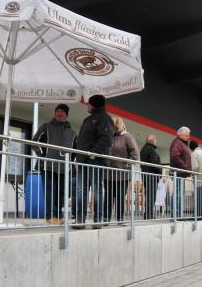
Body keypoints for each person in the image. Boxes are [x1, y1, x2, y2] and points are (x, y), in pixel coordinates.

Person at [72, 94, 113, 229]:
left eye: (88, 103)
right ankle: (80, 220)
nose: (87, 106)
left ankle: (97, 220)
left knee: (96, 190)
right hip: (83, 160)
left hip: (95, 160)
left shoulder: (104, 118)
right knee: (80, 191)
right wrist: (78, 157)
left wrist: (92, 154)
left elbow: (106, 140)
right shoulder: (88, 119)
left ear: (94, 104)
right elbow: (83, 141)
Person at [31, 104, 76, 225]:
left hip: (64, 168)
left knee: (62, 193)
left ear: (66, 115)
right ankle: (50, 216)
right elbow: (34, 142)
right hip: (48, 166)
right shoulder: (46, 126)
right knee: (50, 191)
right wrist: (42, 156)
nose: (59, 113)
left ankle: (58, 215)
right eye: (58, 111)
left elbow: (76, 150)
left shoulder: (72, 133)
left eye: (62, 112)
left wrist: (71, 161)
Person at [104, 116, 139, 223]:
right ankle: (106, 218)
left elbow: (135, 155)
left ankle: (120, 218)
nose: (112, 128)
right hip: (108, 174)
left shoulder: (128, 137)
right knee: (108, 197)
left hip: (122, 174)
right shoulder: (109, 137)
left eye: (114, 126)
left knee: (119, 197)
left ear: (119, 125)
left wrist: (125, 165)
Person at [169, 126, 191, 218]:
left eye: (189, 135)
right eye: (186, 134)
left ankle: (177, 215)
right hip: (178, 173)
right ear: (180, 134)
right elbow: (174, 156)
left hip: (181, 173)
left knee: (179, 195)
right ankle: (175, 215)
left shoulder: (182, 144)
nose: (188, 137)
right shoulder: (177, 142)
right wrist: (185, 167)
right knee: (178, 194)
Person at [140, 134, 161, 220]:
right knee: (152, 196)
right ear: (153, 140)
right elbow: (155, 164)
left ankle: (147, 214)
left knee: (148, 195)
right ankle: (149, 215)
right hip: (152, 176)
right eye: (155, 140)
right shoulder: (152, 150)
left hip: (145, 175)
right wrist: (160, 172)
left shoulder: (142, 150)